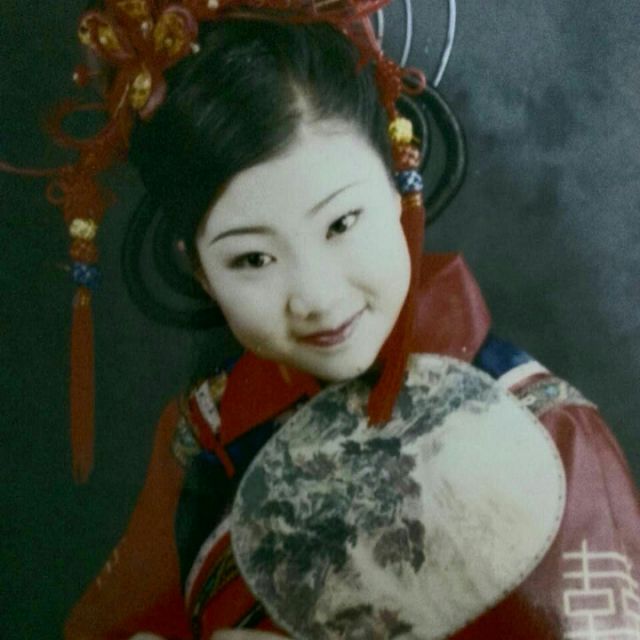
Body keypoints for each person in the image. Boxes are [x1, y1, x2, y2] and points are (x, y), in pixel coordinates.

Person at [10, 2, 635, 639]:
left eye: (341, 223)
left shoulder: (547, 431)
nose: (314, 295)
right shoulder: (204, 435)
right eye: (252, 258)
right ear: (200, 272)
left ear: (399, 178)